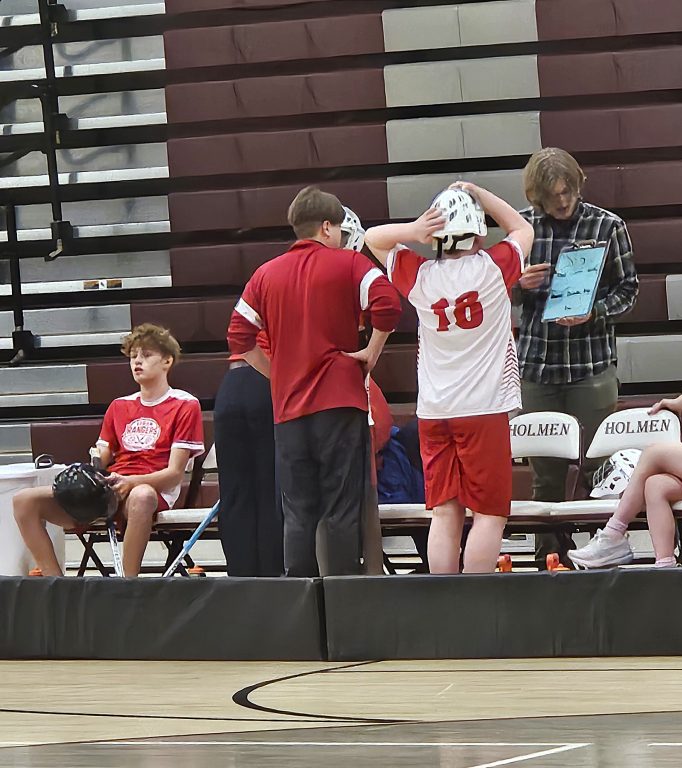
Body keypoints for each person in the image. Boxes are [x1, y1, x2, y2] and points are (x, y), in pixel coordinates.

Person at [227, 187, 402, 577]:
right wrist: (371, 352)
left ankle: (302, 608)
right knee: (341, 510)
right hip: (340, 403)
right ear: (327, 227)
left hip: (289, 410)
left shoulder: (264, 274)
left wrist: (277, 372)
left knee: (298, 511)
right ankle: (342, 605)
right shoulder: (350, 264)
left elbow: (238, 336)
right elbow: (388, 304)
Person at [364, 182, 534, 573]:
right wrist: (480, 191)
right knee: (489, 515)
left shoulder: (420, 277)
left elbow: (373, 238)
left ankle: (443, 604)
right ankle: (474, 601)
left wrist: (413, 230)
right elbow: (523, 229)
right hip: (484, 409)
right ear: (478, 231)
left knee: (444, 514)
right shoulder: (493, 268)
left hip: (435, 412)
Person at [516, 147, 639, 564]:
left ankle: (602, 550)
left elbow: (629, 290)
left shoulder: (608, 225)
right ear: (537, 197)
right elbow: (493, 290)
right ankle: (547, 556)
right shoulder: (523, 228)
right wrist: (518, 284)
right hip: (538, 365)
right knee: (545, 474)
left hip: (591, 365)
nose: (563, 201)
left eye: (568, 192)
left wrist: (595, 311)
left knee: (599, 467)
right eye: (553, 196)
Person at [14, 324, 204, 577]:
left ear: (167, 361)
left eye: (146, 355)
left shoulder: (185, 404)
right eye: (134, 356)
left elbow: (174, 474)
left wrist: (132, 481)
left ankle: (128, 582)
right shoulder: (119, 406)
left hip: (151, 489)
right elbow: (102, 457)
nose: (137, 362)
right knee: (24, 501)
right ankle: (56, 583)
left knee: (142, 496)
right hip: (111, 486)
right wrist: (93, 465)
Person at [567, 374, 682, 568]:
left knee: (654, 453)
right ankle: (666, 567)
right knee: (656, 486)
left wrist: (676, 403)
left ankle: (613, 534)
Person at [214, 330, 282, 577]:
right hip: (266, 376)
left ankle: (240, 579)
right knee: (269, 490)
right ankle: (272, 579)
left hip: (232, 384)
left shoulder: (253, 291)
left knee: (234, 493)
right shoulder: (293, 291)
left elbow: (237, 329)